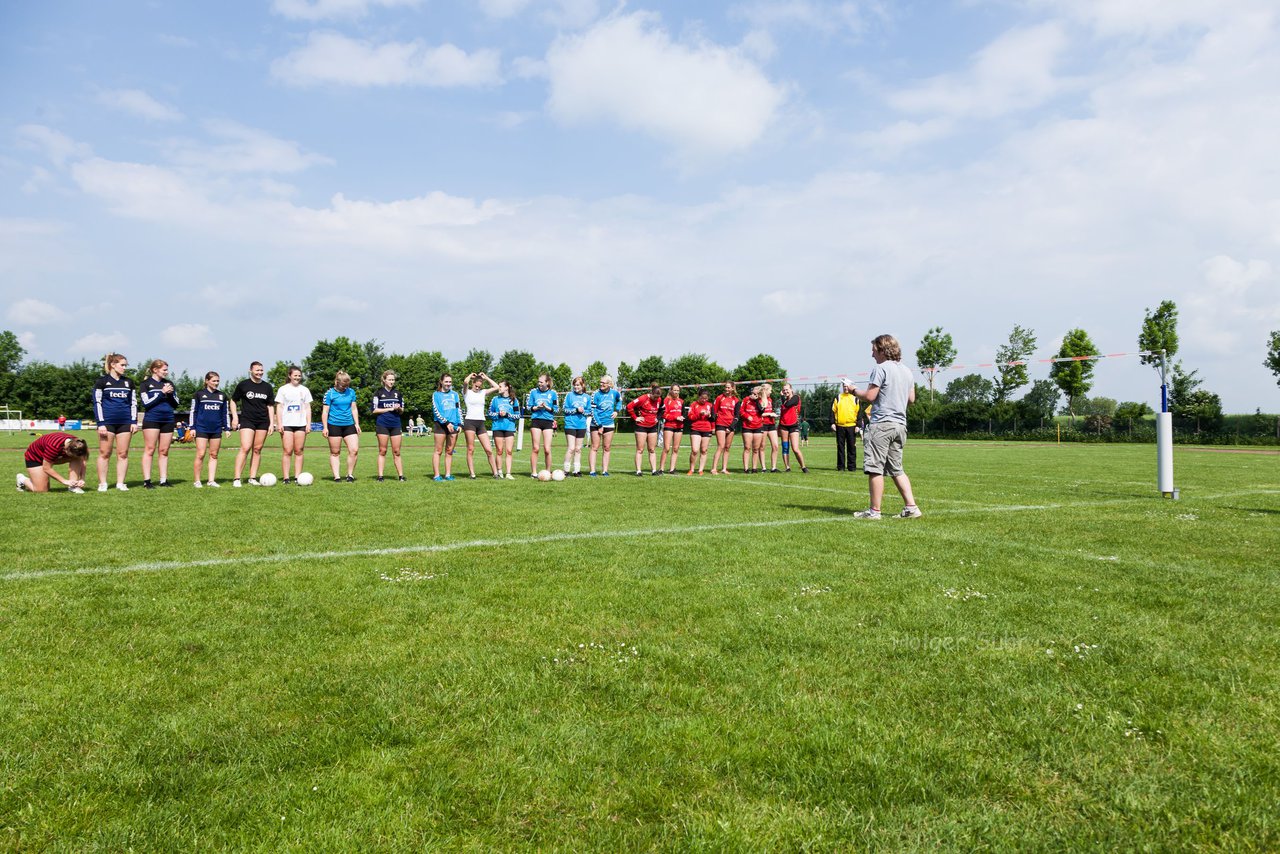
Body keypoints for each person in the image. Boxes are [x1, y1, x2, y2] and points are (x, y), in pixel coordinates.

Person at [852, 334, 922, 519]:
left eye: (874, 350)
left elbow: (869, 396)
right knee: (896, 469)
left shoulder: (880, 369)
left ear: (883, 350)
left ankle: (874, 511)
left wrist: (852, 390)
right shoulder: (907, 371)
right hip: (900, 425)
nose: (872, 354)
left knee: (875, 468)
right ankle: (911, 507)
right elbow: (911, 399)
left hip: (882, 424)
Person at [92, 353, 138, 492]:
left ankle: (120, 483)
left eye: (125, 365)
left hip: (125, 423)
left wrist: (134, 421)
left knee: (123, 454)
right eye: (122, 365)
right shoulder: (101, 382)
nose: (125, 368)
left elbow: (133, 403)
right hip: (107, 423)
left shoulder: (128, 382)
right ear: (113, 365)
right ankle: (103, 483)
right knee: (104, 453)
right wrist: (100, 423)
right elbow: (97, 403)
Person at [231, 361, 276, 487]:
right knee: (245, 448)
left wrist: (272, 423)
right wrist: (235, 417)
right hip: (247, 420)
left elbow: (270, 406)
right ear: (250, 370)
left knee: (257, 449)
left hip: (263, 421)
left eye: (261, 370)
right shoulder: (243, 385)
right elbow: (233, 401)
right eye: (257, 370)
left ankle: (252, 477)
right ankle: (237, 478)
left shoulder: (267, 387)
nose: (260, 372)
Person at [190, 371, 236, 488]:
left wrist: (227, 428)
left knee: (214, 454)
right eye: (214, 381)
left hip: (216, 429)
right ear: (207, 381)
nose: (216, 383)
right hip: (201, 428)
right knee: (200, 454)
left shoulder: (222, 395)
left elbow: (225, 413)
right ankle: (197, 481)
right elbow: (193, 411)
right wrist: (192, 427)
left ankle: (211, 480)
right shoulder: (199, 394)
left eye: (217, 381)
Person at [139, 358, 179, 488]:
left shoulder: (169, 383)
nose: (167, 372)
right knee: (150, 449)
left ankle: (163, 480)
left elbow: (176, 404)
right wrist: (162, 393)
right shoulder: (145, 384)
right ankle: (147, 481)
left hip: (168, 419)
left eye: (167, 370)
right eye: (164, 370)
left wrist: (171, 394)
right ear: (155, 370)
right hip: (152, 419)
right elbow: (147, 403)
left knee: (164, 450)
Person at [16, 433, 88, 493]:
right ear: (66, 450)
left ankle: (73, 486)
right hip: (36, 457)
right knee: (41, 490)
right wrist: (64, 481)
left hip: (53, 457)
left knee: (77, 458)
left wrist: (82, 478)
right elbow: (46, 468)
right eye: (71, 454)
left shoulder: (80, 445)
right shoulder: (54, 446)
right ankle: (21, 479)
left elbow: (83, 460)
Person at [322, 370, 361, 482]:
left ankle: (350, 475)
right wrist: (325, 427)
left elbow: (354, 408)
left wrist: (357, 424)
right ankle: (337, 476)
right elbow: (325, 411)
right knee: (335, 452)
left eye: (347, 385)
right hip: (334, 425)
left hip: (349, 424)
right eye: (343, 385)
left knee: (354, 450)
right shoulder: (329, 393)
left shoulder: (351, 392)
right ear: (337, 382)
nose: (345, 387)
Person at [276, 365, 312, 483]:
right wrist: (279, 423)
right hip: (287, 424)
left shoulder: (305, 390)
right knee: (287, 451)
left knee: (299, 450)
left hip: (300, 424)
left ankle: (297, 477)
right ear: (289, 376)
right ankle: (286, 478)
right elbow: (280, 407)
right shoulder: (283, 389)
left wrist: (308, 424)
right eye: (295, 375)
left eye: (299, 375)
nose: (297, 377)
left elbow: (307, 407)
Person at [462, 372, 500, 479]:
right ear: (472, 383)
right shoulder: (466, 392)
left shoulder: (483, 392)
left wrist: (486, 377)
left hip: (481, 423)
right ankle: (472, 474)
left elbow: (496, 387)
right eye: (476, 385)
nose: (478, 387)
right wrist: (471, 375)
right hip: (470, 422)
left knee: (489, 450)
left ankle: (495, 473)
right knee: (471, 449)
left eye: (480, 386)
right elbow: (465, 382)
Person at [372, 369, 406, 482]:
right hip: (382, 424)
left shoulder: (398, 393)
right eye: (390, 379)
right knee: (383, 450)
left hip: (396, 424)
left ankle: (401, 476)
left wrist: (399, 408)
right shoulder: (378, 393)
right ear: (384, 380)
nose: (392, 381)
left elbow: (402, 411)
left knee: (397, 451)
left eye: (393, 379)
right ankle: (380, 476)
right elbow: (374, 410)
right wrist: (390, 408)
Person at [588, 375, 623, 476]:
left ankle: (605, 471)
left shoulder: (614, 393)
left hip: (609, 424)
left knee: (607, 448)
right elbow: (593, 411)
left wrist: (617, 410)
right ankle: (592, 471)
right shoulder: (596, 394)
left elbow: (620, 400)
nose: (601, 384)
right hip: (596, 424)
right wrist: (599, 425)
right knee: (595, 447)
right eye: (600, 382)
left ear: (609, 384)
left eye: (603, 383)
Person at [525, 373, 558, 478]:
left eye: (541, 382)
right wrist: (537, 407)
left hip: (548, 421)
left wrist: (547, 407)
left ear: (547, 383)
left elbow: (556, 409)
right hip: (536, 421)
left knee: (547, 449)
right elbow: (528, 407)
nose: (539, 383)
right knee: (535, 448)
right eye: (538, 381)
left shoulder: (553, 393)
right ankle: (534, 472)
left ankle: (548, 472)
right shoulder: (533, 392)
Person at [626, 383, 662, 475]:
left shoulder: (659, 399)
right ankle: (638, 471)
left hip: (652, 426)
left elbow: (662, 410)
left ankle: (654, 470)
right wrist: (635, 417)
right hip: (641, 426)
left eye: (657, 398)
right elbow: (629, 406)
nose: (656, 399)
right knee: (640, 449)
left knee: (652, 449)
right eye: (654, 397)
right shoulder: (643, 398)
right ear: (651, 393)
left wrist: (657, 418)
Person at [488, 380, 521, 479]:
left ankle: (508, 473)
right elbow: (489, 413)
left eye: (500, 386)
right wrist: (498, 414)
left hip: (509, 428)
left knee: (509, 451)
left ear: (507, 387)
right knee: (499, 450)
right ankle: (499, 471)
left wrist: (507, 415)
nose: (499, 388)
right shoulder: (495, 399)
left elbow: (518, 415)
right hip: (497, 427)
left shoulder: (514, 400)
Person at [432, 373, 462, 481]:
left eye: (450, 382)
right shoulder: (436, 394)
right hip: (441, 425)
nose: (448, 384)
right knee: (438, 450)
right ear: (441, 382)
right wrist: (446, 423)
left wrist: (459, 424)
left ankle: (448, 475)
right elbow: (436, 411)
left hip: (453, 426)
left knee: (449, 451)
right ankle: (436, 475)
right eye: (446, 382)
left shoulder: (455, 394)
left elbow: (458, 409)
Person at [560, 376, 591, 476]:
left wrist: (584, 411)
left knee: (578, 449)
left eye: (578, 385)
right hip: (570, 425)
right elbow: (564, 409)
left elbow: (589, 411)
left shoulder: (587, 397)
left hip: (581, 425)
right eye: (574, 385)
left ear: (583, 385)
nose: (576, 387)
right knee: (571, 448)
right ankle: (566, 470)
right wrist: (576, 410)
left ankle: (576, 471)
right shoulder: (569, 395)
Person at [831, 380, 863, 472]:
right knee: (840, 447)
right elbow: (833, 411)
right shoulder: (838, 397)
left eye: (847, 386)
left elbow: (859, 413)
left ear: (850, 387)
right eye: (844, 386)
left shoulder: (855, 398)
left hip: (852, 426)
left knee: (851, 447)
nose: (846, 388)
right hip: (840, 426)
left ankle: (851, 467)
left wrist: (858, 425)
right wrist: (832, 423)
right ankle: (840, 467)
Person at [778, 382, 808, 473]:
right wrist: (779, 427)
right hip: (783, 426)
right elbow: (782, 413)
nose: (785, 391)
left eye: (787, 389)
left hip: (793, 425)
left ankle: (803, 467)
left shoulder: (796, 397)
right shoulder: (784, 400)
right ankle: (787, 467)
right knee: (785, 447)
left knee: (795, 448)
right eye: (784, 390)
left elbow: (788, 404)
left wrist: (782, 397)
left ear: (791, 390)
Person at [710, 381, 739, 476]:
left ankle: (724, 469)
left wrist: (731, 427)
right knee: (721, 446)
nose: (727, 389)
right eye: (726, 387)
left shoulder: (736, 400)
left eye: (729, 387)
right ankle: (714, 468)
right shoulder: (719, 398)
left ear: (732, 388)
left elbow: (736, 416)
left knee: (727, 447)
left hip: (730, 425)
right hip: (720, 424)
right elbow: (714, 412)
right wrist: (713, 426)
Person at [685, 388, 714, 475]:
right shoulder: (693, 404)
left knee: (704, 450)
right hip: (696, 428)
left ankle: (701, 470)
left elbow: (713, 418)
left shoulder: (710, 405)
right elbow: (690, 417)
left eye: (706, 398)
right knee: (695, 450)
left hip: (707, 429)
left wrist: (709, 416)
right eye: (702, 398)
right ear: (699, 396)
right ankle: (692, 469)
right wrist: (699, 414)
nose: (704, 400)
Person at [658, 384, 685, 474]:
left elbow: (684, 414)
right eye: (674, 390)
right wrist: (675, 417)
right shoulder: (666, 400)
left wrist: (682, 417)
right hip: (669, 426)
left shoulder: (681, 401)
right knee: (666, 448)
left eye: (677, 390)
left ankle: (672, 469)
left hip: (679, 427)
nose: (676, 392)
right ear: (671, 390)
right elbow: (664, 414)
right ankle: (661, 469)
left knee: (676, 449)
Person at [738, 386, 765, 473]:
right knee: (747, 447)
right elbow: (741, 411)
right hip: (747, 426)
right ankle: (746, 468)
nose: (753, 395)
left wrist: (756, 400)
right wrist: (747, 416)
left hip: (758, 426)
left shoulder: (762, 400)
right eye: (753, 393)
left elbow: (761, 411)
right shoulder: (746, 399)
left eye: (756, 393)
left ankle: (754, 468)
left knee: (756, 449)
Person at [760, 382, 781, 472]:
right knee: (762, 446)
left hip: (771, 424)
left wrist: (773, 415)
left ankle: (773, 467)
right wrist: (769, 414)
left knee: (775, 446)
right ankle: (763, 468)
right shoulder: (759, 400)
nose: (771, 392)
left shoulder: (770, 400)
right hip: (763, 424)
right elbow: (758, 414)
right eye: (770, 390)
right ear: (765, 390)